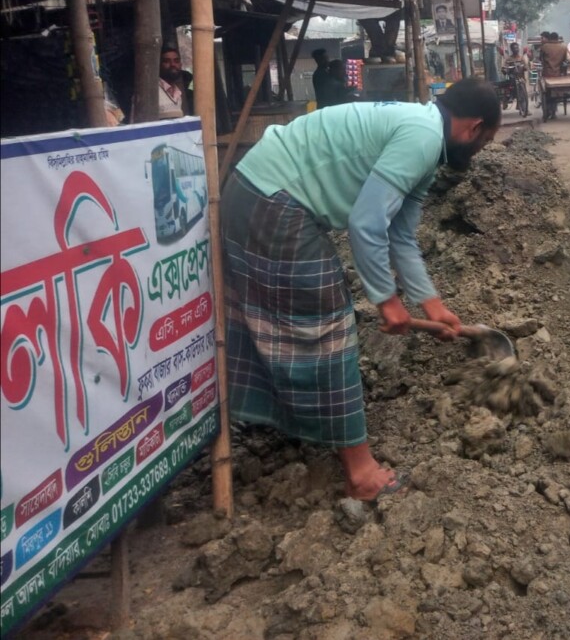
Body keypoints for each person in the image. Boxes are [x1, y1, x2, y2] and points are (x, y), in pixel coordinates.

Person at [221, 80, 501, 501]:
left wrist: (433, 305)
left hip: (258, 191)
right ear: (474, 127)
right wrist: (386, 301)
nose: (480, 150)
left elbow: (400, 236)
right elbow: (367, 224)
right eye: (487, 140)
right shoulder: (423, 136)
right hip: (272, 200)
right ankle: (360, 473)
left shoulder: (426, 139)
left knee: (306, 318)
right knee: (327, 325)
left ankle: (284, 423)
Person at [158, 46, 192, 119]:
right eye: (167, 61)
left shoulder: (178, 94)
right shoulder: (151, 92)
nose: (173, 64)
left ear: (180, 65)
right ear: (159, 65)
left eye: (176, 61)